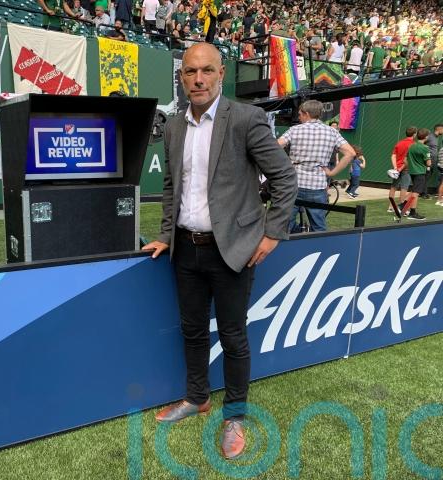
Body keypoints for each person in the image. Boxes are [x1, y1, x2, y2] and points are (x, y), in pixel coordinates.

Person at [142, 43, 297, 460]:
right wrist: (166, 234)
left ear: (221, 73)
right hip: (185, 249)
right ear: (181, 77)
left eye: (206, 70)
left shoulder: (246, 118)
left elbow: (284, 178)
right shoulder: (174, 127)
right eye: (190, 72)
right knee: (192, 330)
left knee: (233, 336)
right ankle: (197, 398)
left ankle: (235, 416)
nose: (198, 79)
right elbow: (172, 187)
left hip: (233, 250)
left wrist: (272, 234)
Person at [277, 100, 356, 233]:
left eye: (300, 114)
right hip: (317, 186)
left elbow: (274, 147)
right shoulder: (332, 132)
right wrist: (332, 173)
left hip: (293, 184)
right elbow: (351, 153)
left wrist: (284, 165)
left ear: (307, 114)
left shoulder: (294, 130)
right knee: (319, 227)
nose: (299, 117)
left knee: (285, 227)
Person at [387, 126, 416, 213]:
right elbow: (407, 160)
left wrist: (395, 167)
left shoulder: (399, 143)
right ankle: (402, 208)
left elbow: (393, 155)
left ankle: (390, 207)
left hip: (398, 168)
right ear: (414, 134)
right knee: (404, 188)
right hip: (406, 169)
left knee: (393, 187)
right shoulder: (413, 144)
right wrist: (399, 168)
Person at [405, 128, 432, 220]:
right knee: (416, 193)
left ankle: (403, 205)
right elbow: (429, 163)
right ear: (426, 137)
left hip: (412, 172)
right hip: (420, 172)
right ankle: (412, 213)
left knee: (414, 191)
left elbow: (405, 160)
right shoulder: (425, 148)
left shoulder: (411, 146)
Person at [424, 124, 443, 199]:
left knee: (427, 177)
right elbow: (421, 143)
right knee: (426, 176)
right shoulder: (430, 136)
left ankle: (423, 192)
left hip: (433, 162)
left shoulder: (436, 137)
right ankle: (424, 193)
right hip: (428, 161)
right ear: (439, 129)